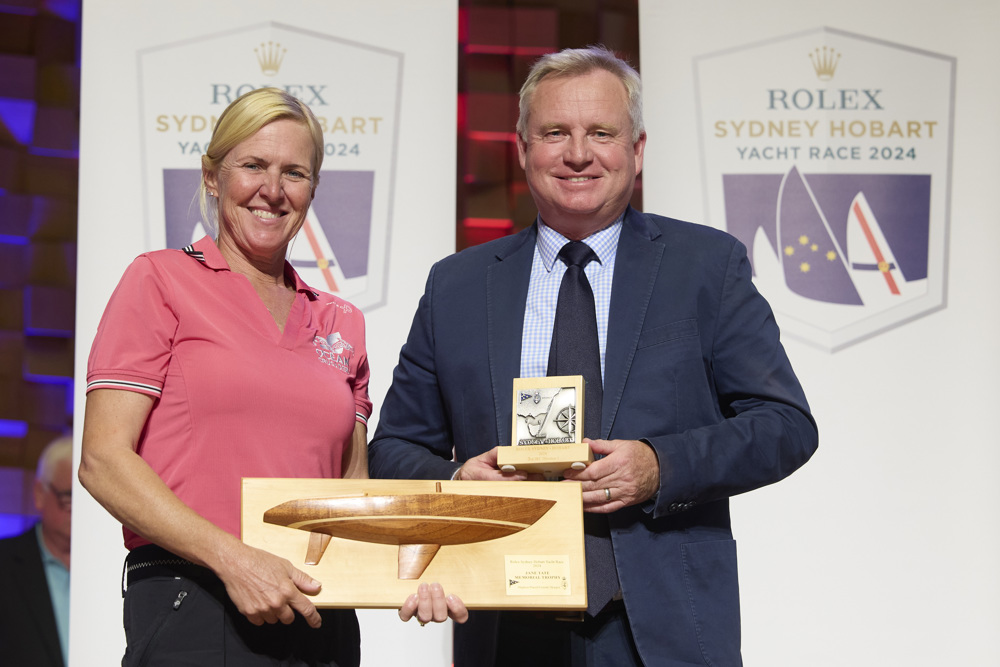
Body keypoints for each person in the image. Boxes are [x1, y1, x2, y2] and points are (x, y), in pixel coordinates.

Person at [368, 46, 818, 666]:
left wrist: (660, 465)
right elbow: (393, 448)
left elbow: (785, 426)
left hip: (663, 629)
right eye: (555, 133)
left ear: (634, 152)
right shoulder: (458, 286)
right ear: (523, 149)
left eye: (600, 133)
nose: (578, 154)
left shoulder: (705, 268)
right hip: (503, 623)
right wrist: (455, 484)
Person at [79, 87, 463, 667]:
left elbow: (352, 495)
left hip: (319, 615)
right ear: (212, 176)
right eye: (253, 165)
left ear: (312, 190)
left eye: (295, 173)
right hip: (196, 602)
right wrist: (235, 561)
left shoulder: (342, 321)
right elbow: (103, 461)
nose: (273, 190)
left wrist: (420, 569)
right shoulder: (158, 281)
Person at [0, 434, 73, 667]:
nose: (80, 512)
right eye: (68, 498)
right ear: (40, 494)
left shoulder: (114, 567)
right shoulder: (4, 564)